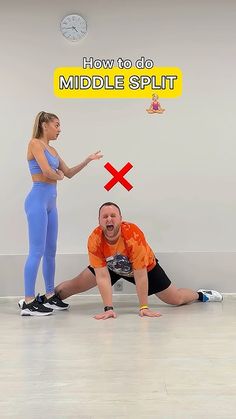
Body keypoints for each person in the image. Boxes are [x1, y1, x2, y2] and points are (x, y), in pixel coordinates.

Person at [55, 202, 223, 320]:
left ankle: (201, 294)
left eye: (113, 215)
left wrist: (144, 307)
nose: (109, 219)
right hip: (111, 267)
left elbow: (140, 275)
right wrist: (109, 309)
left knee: (176, 299)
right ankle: (43, 301)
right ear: (99, 221)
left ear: (120, 219)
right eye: (104, 216)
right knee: (66, 288)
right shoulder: (95, 239)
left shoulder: (133, 235)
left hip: (145, 268)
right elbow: (102, 277)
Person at [19, 111, 103, 316]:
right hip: (37, 202)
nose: (59, 129)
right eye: (56, 125)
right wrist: (58, 175)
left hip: (51, 204)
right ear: (44, 124)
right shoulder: (35, 144)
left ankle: (49, 295)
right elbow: (48, 172)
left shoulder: (53, 150)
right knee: (36, 251)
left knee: (50, 251)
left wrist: (88, 160)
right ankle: (29, 302)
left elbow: (69, 173)